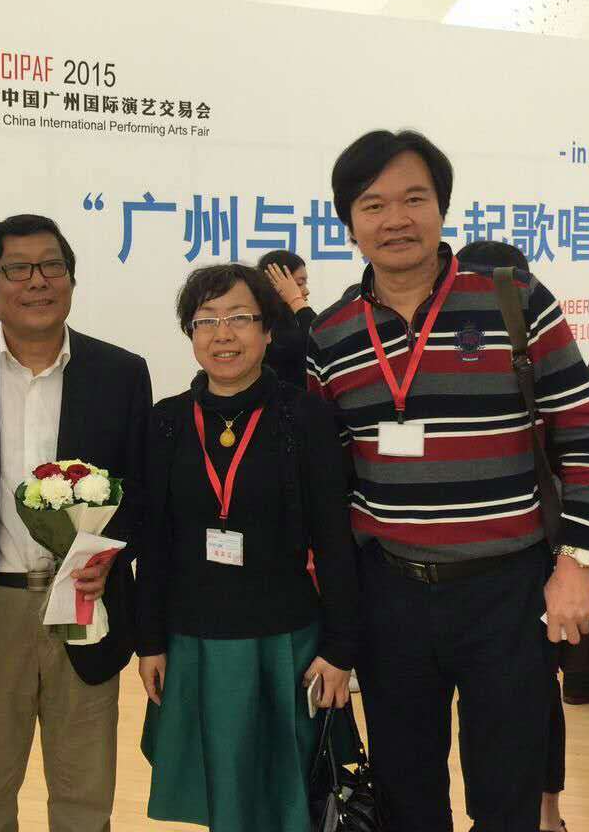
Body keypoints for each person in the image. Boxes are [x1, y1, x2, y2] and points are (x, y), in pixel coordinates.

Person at [307, 129, 589, 831]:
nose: (396, 219)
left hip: (506, 593)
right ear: (349, 223)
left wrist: (575, 562)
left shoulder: (514, 302)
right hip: (390, 595)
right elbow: (328, 483)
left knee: (508, 796)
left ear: (442, 208)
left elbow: (587, 434)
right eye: (373, 205)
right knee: (406, 795)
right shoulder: (331, 337)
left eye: (414, 199)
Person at [0, 213, 152, 832]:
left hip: (86, 605)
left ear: (72, 280)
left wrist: (109, 556)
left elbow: (141, 493)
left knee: (85, 796)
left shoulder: (119, 372)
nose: (37, 281)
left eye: (52, 266)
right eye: (17, 269)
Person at [135, 262, 359, 832]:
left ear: (268, 330)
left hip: (286, 638)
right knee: (222, 790)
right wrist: (149, 642)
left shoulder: (304, 416)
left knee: (288, 793)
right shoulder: (165, 422)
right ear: (190, 333)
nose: (223, 334)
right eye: (206, 320)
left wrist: (340, 650)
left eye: (239, 317)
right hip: (195, 639)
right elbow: (154, 542)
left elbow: (335, 540)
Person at [457, 239, 573, 832]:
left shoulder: (530, 334)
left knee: (524, 705)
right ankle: (544, 811)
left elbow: (582, 440)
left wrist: (574, 561)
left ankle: (539, 808)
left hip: (527, 562)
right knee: (527, 701)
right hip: (497, 566)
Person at [257, 248, 316, 387]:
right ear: (275, 283)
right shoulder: (262, 324)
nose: (306, 291)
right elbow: (320, 338)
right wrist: (296, 299)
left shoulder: (295, 319)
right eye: (299, 284)